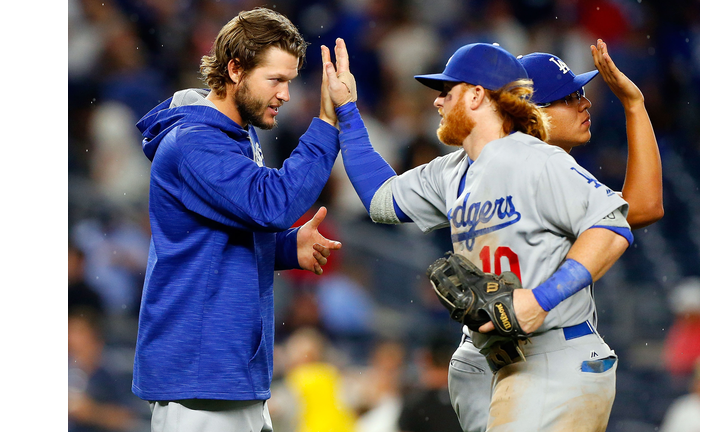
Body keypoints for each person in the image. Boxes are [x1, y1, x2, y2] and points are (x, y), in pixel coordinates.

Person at [322, 38, 633, 432]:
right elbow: (381, 199)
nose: (438, 102)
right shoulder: (450, 171)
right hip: (495, 361)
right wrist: (348, 110)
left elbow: (611, 224)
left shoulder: (536, 157)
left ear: (474, 96)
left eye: (445, 92)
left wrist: (540, 299)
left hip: (554, 356)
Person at [131, 7, 343, 431]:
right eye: (276, 80)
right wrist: (326, 123)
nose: (285, 94)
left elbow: (218, 236)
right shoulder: (196, 142)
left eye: (290, 81)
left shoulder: (233, 136)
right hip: (202, 375)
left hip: (223, 374)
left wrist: (285, 246)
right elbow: (272, 205)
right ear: (235, 69)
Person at [447, 40, 665, 432]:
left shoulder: (543, 171)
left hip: (507, 351)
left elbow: (644, 207)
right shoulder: (520, 170)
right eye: (569, 97)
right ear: (533, 112)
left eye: (581, 93)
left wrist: (634, 106)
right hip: (509, 354)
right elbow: (637, 213)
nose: (585, 103)